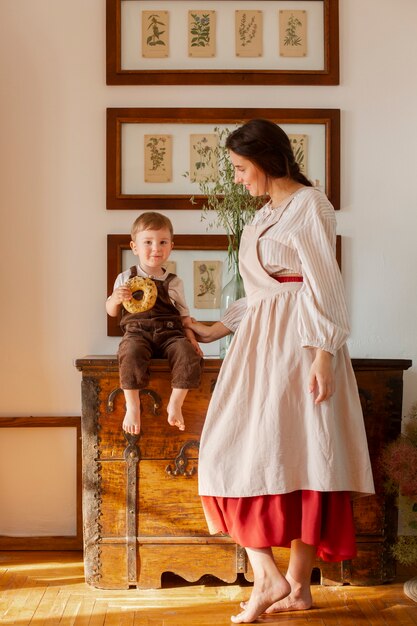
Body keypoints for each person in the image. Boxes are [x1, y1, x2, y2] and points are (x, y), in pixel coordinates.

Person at [185, 119, 375, 623]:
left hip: (299, 347)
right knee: (249, 452)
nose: (239, 178)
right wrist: (215, 328)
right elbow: (262, 295)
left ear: (268, 161)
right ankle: (290, 585)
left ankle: (284, 582)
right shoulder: (264, 214)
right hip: (260, 347)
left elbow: (322, 286)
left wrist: (323, 355)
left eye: (242, 168)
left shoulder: (310, 206)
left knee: (302, 453)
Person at [106, 212, 203, 436]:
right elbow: (111, 312)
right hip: (137, 333)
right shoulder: (126, 278)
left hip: (170, 334)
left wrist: (191, 340)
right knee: (129, 353)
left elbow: (183, 318)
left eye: (162, 242)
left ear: (171, 246)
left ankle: (175, 403)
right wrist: (116, 299)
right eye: (148, 242)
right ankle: (133, 405)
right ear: (135, 247)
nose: (156, 248)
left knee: (188, 355)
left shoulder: (174, 282)